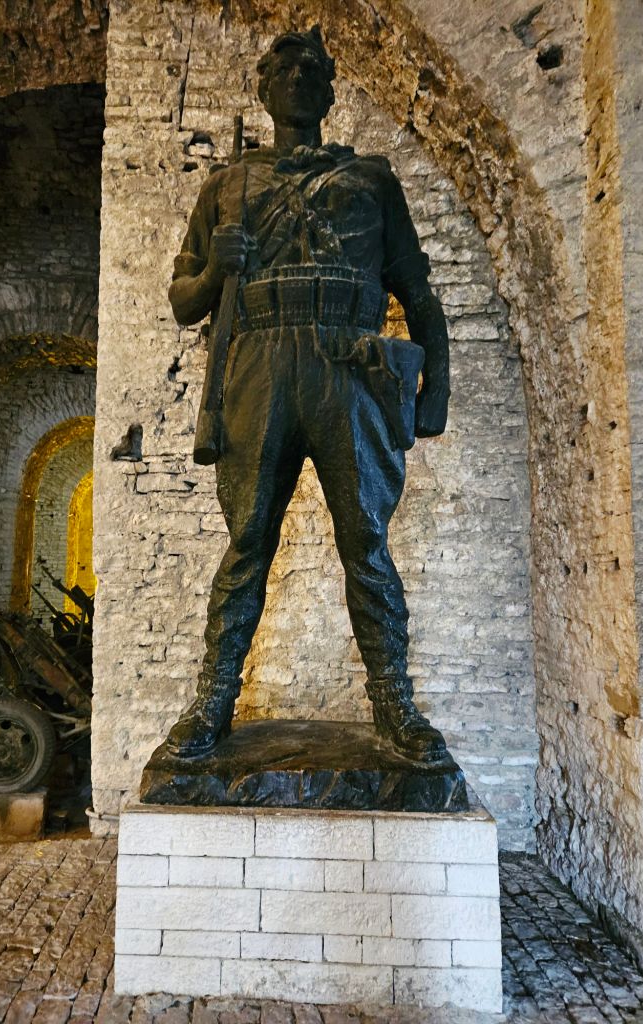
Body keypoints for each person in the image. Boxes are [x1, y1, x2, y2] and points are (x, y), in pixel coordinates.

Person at [166, 26, 451, 762]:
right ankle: (212, 701)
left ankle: (394, 704)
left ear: (329, 91)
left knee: (366, 541)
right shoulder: (227, 187)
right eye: (283, 68)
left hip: (347, 365)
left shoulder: (371, 181)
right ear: (263, 88)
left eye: (311, 69)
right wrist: (214, 270)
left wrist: (436, 390)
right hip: (259, 363)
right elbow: (184, 300)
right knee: (246, 542)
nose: (297, 78)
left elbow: (416, 291)